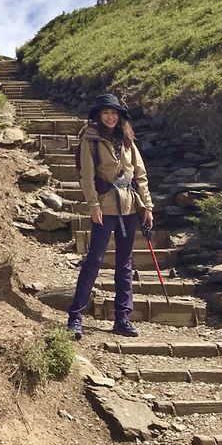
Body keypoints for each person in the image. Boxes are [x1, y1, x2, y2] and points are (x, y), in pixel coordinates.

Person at [66, 93, 154, 339]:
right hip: (104, 207)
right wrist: (93, 204)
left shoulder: (127, 141)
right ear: (98, 115)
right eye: (106, 112)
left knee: (125, 264)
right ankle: (75, 316)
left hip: (128, 208)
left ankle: (122, 317)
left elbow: (140, 175)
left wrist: (147, 206)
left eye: (114, 113)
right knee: (94, 260)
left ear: (120, 116)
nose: (111, 116)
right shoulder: (90, 140)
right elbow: (86, 175)